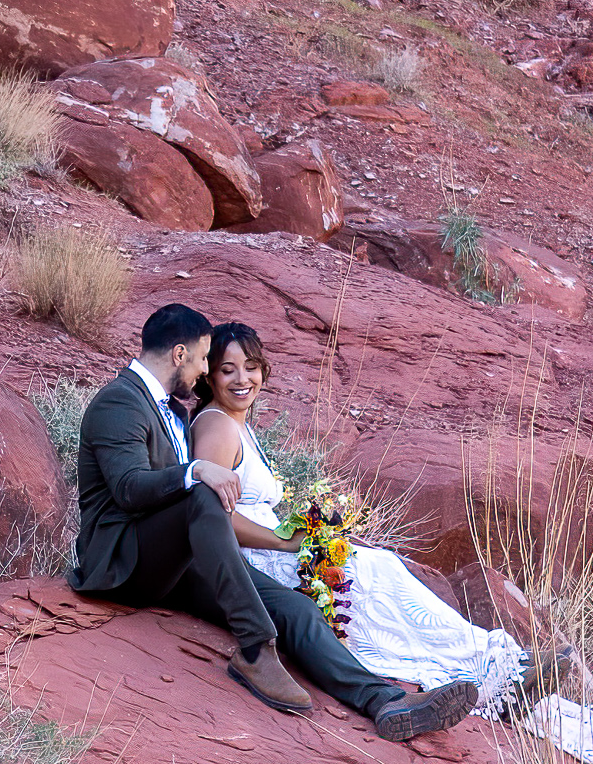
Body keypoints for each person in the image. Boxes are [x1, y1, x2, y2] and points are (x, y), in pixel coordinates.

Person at [70, 303, 478, 740]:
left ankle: (383, 701)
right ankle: (255, 647)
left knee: (296, 608)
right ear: (179, 354)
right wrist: (196, 471)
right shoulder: (119, 401)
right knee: (202, 495)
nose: (206, 370)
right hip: (121, 564)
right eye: (206, 358)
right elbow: (130, 488)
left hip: (175, 559)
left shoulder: (174, 409)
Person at [190, 321, 577, 719]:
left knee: (381, 567)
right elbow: (216, 518)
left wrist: (312, 529)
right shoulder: (216, 424)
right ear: (210, 375)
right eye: (227, 369)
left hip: (273, 545)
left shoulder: (239, 425)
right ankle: (494, 670)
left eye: (251, 366)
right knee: (376, 574)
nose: (243, 379)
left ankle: (498, 668)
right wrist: (290, 542)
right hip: (254, 561)